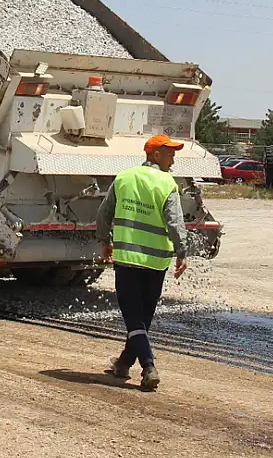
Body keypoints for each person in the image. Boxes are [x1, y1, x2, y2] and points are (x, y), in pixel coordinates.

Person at [96, 134, 190, 391]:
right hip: (156, 262)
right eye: (169, 152)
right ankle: (134, 364)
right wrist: (182, 251)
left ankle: (139, 364)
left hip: (127, 259)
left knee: (135, 318)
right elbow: (174, 222)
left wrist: (104, 240)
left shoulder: (124, 178)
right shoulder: (167, 183)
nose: (173, 157)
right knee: (141, 316)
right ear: (155, 155)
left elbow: (104, 213)